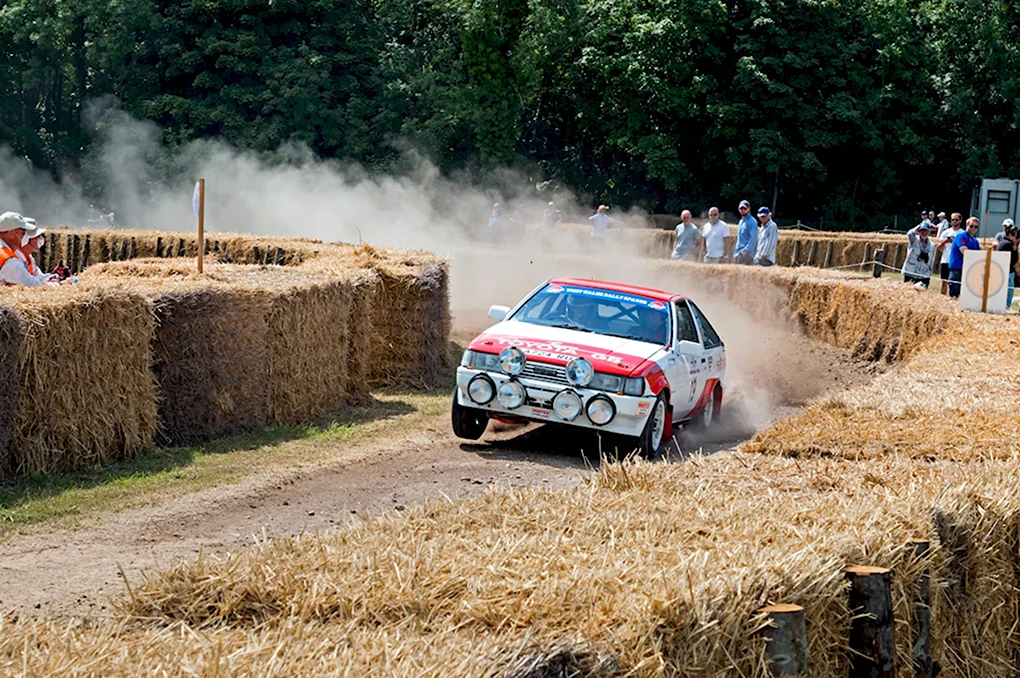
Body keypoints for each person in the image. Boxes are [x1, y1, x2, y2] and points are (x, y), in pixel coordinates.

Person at [0, 212, 44, 287]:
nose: (25, 237)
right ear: (11, 234)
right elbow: (31, 284)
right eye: (23, 233)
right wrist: (54, 285)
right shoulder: (9, 261)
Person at [947, 216, 981, 298]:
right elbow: (964, 251)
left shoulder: (975, 241)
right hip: (957, 269)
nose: (973, 228)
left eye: (976, 227)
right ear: (967, 226)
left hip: (968, 269)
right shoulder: (960, 236)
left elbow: (979, 255)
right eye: (971, 226)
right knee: (954, 295)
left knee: (966, 296)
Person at [902, 222, 935, 287]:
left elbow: (931, 260)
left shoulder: (932, 245)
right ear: (918, 231)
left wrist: (930, 270)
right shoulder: (914, 240)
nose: (924, 233)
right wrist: (918, 226)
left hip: (924, 274)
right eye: (922, 230)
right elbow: (909, 233)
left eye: (926, 231)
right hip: (911, 272)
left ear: (929, 232)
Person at [937, 213, 963, 294]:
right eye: (952, 220)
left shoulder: (963, 233)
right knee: (944, 282)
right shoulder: (945, 232)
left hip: (956, 261)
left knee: (955, 283)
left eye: (956, 220)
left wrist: (954, 241)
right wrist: (945, 241)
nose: (954, 221)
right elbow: (939, 248)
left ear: (960, 221)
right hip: (945, 260)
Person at [996, 224, 1018, 311]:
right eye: (1016, 236)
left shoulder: (1004, 243)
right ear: (1010, 235)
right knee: (1008, 293)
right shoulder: (1007, 244)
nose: (1018, 239)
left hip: (1006, 271)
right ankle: (1005, 308)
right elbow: (1013, 260)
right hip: (1007, 272)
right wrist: (1015, 249)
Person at [733, 200, 758, 265]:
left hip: (746, 255)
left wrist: (745, 251)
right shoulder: (741, 222)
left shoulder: (752, 222)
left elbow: (753, 239)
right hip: (738, 253)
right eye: (741, 208)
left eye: (745, 208)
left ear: (749, 209)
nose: (743, 210)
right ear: (739, 209)